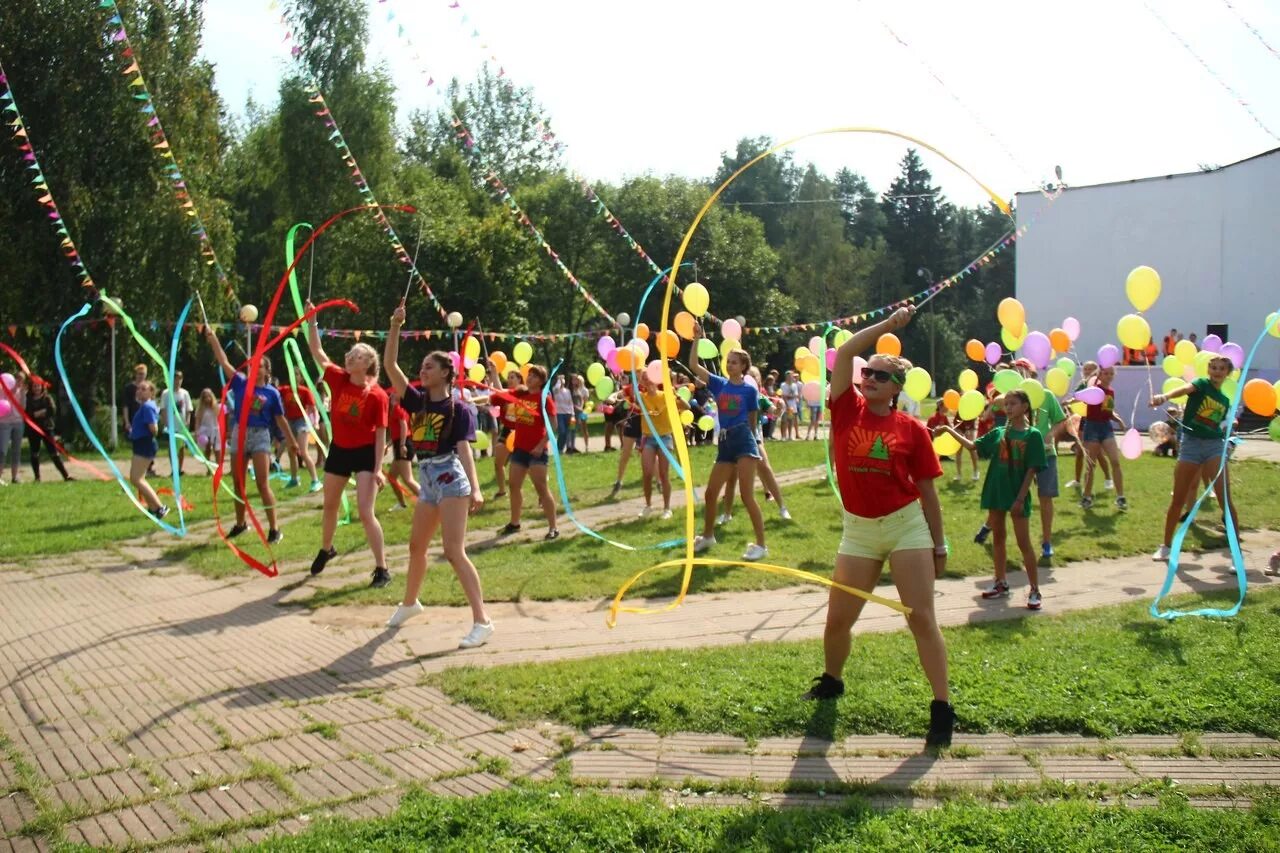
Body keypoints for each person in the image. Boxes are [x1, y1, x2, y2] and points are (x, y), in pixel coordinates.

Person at [801, 306, 953, 749]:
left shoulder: (912, 430)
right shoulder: (846, 409)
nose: (868, 377)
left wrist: (939, 545)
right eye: (867, 372)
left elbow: (927, 493)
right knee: (836, 621)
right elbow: (846, 349)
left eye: (880, 376)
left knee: (921, 618)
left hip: (906, 528)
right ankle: (832, 680)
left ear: (897, 388)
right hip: (859, 531)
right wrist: (887, 327)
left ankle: (942, 708)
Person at [383, 309, 493, 646]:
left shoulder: (459, 409)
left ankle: (482, 622)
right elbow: (390, 367)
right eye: (422, 367)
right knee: (417, 546)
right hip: (427, 476)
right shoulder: (416, 402)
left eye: (429, 367)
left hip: (450, 477)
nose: (423, 371)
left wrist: (475, 488)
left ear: (446, 372)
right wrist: (395, 326)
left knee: (453, 550)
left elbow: (463, 449)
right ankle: (410, 603)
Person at [303, 302, 391, 587]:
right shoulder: (338, 379)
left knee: (366, 511)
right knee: (329, 505)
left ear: (367, 364)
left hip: (365, 454)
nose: (350, 356)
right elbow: (317, 351)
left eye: (357, 355)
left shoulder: (377, 395)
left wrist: (378, 469)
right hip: (340, 450)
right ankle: (326, 549)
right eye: (351, 353)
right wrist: (312, 320)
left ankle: (382, 569)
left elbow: (380, 434)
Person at [937, 390, 1045, 610]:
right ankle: (1000, 582)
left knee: (1024, 543)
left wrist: (1020, 498)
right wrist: (948, 429)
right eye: (1006, 404)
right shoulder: (998, 433)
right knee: (998, 539)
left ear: (1025, 407)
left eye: (1013, 403)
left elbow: (1032, 469)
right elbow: (973, 446)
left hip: (1016, 495)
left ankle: (1034, 589)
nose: (1008, 408)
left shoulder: (1032, 435)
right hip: (996, 491)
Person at [202, 330, 297, 543]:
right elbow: (223, 360)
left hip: (260, 436)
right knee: (238, 482)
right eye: (252, 364)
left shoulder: (272, 393)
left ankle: (274, 528)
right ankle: (240, 524)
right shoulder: (240, 382)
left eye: (259, 365)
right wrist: (214, 339)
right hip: (239, 433)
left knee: (263, 484)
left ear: (266, 371)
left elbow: (281, 419)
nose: (254, 366)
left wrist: (291, 442)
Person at [689, 323, 767, 561]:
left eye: (734, 361)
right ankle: (708, 535)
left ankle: (761, 546)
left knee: (746, 495)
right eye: (728, 361)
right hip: (725, 442)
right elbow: (693, 366)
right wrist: (696, 339)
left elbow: (753, 420)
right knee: (711, 494)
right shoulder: (719, 383)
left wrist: (751, 444)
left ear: (743, 366)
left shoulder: (749, 390)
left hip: (743, 439)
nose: (729, 364)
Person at [1149, 355, 1237, 561]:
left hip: (1214, 446)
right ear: (1208, 370)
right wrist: (1164, 396)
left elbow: (1219, 424)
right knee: (1178, 498)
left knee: (1225, 499)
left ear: (1227, 373)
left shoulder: (1225, 401)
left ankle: (1235, 553)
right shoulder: (1201, 384)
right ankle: (1166, 546)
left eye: (1221, 368)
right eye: (1213, 367)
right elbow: (1185, 389)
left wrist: (1228, 427)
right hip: (1191, 445)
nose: (1216, 371)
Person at [494, 365, 559, 539]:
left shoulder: (544, 398)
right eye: (529, 375)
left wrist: (540, 445)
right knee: (514, 485)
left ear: (541, 380)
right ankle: (515, 523)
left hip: (537, 451)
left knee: (541, 488)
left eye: (534, 376)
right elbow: (501, 393)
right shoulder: (520, 395)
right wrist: (494, 373)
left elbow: (554, 425)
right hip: (519, 449)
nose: (529, 378)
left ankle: (553, 527)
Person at [636, 373, 686, 519]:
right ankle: (648, 506)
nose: (646, 379)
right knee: (647, 474)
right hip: (648, 438)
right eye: (643, 378)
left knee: (664, 474)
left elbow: (686, 406)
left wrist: (677, 396)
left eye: (648, 376)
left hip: (664, 438)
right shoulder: (641, 397)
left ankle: (667, 508)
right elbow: (622, 396)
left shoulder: (666, 395)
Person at [1079, 365, 1127, 511]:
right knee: (1091, 465)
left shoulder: (1111, 392)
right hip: (1092, 427)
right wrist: (1069, 402)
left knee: (1115, 462)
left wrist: (1118, 420)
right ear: (1100, 375)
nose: (1109, 376)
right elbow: (1081, 397)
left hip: (1106, 428)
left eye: (1111, 374)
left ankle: (1120, 497)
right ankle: (1087, 497)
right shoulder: (1094, 388)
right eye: (1106, 373)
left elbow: (1108, 411)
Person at [1063, 361, 1111, 490]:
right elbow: (1076, 399)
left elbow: (1106, 404)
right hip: (1083, 419)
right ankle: (1077, 480)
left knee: (1098, 453)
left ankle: (1108, 478)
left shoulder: (1100, 386)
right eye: (1086, 369)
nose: (1088, 371)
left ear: (1096, 372)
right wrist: (1068, 404)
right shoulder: (1082, 385)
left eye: (1091, 369)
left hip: (1097, 421)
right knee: (1079, 451)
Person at [127, 380, 169, 519]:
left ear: (151, 392)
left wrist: (146, 429)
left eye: (144, 389)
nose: (140, 391)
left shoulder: (147, 407)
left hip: (145, 444)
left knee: (136, 478)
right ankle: (153, 507)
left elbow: (154, 428)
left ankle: (159, 507)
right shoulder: (144, 406)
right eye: (139, 388)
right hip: (140, 444)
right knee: (138, 478)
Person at [23, 376, 71, 482]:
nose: (36, 388)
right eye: (34, 386)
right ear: (31, 388)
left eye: (38, 386)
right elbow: (29, 414)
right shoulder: (28, 399)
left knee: (53, 452)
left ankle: (66, 476)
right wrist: (39, 413)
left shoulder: (47, 398)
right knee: (34, 453)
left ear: (42, 387)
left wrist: (41, 412)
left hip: (47, 428)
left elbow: (52, 410)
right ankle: (37, 477)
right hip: (33, 430)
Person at [278, 380, 322, 491]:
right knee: (291, 452)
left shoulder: (305, 391)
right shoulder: (284, 390)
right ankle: (294, 480)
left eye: (296, 375)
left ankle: (315, 480)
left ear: (300, 378)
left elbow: (313, 409)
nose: (294, 378)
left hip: (302, 421)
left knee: (303, 452)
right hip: (289, 421)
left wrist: (315, 422)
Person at [385, 390, 419, 512]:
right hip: (399, 443)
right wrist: (388, 445)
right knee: (392, 477)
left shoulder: (399, 409)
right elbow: (395, 432)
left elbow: (404, 426)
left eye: (395, 393)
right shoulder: (393, 409)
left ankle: (429, 502)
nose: (391, 395)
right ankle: (402, 504)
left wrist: (402, 445)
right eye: (391, 394)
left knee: (408, 479)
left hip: (404, 444)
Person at [490, 368, 522, 498]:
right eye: (508, 377)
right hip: (507, 431)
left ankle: (541, 494)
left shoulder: (523, 393)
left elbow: (501, 391)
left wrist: (494, 373)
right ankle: (502, 490)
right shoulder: (505, 394)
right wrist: (493, 373)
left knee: (529, 466)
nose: (509, 380)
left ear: (519, 379)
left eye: (512, 377)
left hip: (522, 432)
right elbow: (497, 393)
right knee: (498, 464)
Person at [609, 379, 642, 498]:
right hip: (633, 421)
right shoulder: (631, 387)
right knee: (625, 453)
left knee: (645, 452)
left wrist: (635, 404)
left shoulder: (651, 385)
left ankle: (658, 481)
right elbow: (618, 393)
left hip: (646, 422)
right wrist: (612, 397)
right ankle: (619, 481)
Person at [157, 371, 194, 476]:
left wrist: (187, 422)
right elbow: (163, 409)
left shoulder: (185, 393)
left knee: (181, 447)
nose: (177, 381)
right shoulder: (166, 393)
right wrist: (166, 423)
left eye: (179, 379)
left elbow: (188, 409)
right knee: (172, 447)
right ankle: (174, 468)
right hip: (171, 425)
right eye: (175, 379)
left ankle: (180, 469)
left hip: (181, 425)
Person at [0, 373, 26, 485]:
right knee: (2, 450)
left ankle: (15, 477)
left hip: (18, 422)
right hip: (4, 423)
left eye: (21, 380)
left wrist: (23, 394)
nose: (19, 382)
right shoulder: (3, 390)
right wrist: (13, 390)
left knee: (17, 450)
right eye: (18, 379)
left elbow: (23, 407)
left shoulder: (21, 392)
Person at [193, 388, 221, 475]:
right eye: (205, 397)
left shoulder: (216, 407)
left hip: (215, 429)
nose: (207, 398)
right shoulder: (201, 409)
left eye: (209, 396)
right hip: (205, 431)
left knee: (217, 450)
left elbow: (220, 419)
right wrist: (197, 432)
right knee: (207, 449)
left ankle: (218, 469)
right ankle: (209, 469)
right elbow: (197, 421)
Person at [121, 363, 147, 438]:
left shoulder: (148, 388)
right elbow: (125, 406)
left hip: (145, 419)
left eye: (143, 374)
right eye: (139, 374)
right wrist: (127, 421)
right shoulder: (129, 388)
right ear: (136, 374)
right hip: (133, 418)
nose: (141, 376)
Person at [552, 375, 574, 454]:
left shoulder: (567, 391)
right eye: (560, 379)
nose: (562, 380)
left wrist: (572, 413)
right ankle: (558, 448)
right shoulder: (555, 389)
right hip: (559, 414)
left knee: (567, 432)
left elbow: (570, 402)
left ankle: (561, 449)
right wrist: (559, 380)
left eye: (563, 379)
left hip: (568, 413)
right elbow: (557, 388)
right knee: (562, 431)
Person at [571, 373, 590, 453]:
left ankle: (586, 446)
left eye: (577, 380)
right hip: (573, 411)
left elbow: (585, 402)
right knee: (573, 429)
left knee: (584, 429)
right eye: (575, 380)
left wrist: (582, 409)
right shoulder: (572, 389)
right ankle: (572, 446)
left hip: (583, 411)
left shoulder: (584, 390)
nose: (575, 381)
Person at [779, 371, 800, 440]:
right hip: (785, 406)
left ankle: (790, 435)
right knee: (784, 421)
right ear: (786, 377)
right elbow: (783, 396)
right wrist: (787, 404)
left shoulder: (794, 385)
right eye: (789, 376)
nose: (791, 377)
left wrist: (791, 396)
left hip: (792, 406)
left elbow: (796, 395)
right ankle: (783, 436)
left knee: (790, 421)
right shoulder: (783, 385)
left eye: (791, 376)